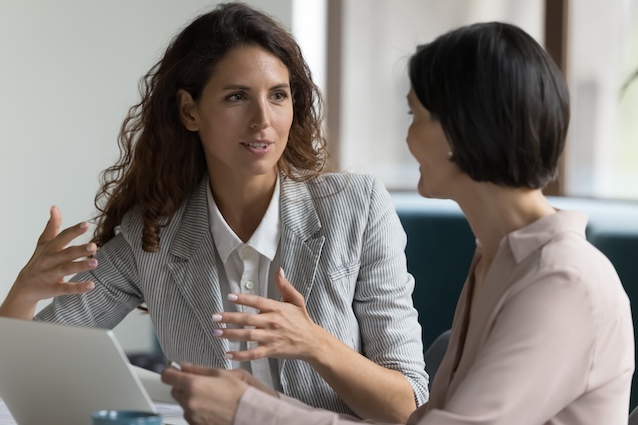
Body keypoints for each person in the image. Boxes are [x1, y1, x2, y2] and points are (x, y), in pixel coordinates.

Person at [161, 21, 636, 425]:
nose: (407, 135)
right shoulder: (498, 260)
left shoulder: (562, 281)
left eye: (416, 114)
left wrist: (251, 411)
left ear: (461, 130)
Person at [0, 2, 428, 422]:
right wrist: (25, 290)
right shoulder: (151, 235)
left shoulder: (357, 207)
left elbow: (411, 407)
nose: (262, 120)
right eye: (237, 97)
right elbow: (0, 377)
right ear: (189, 111)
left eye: (278, 95)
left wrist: (316, 345)